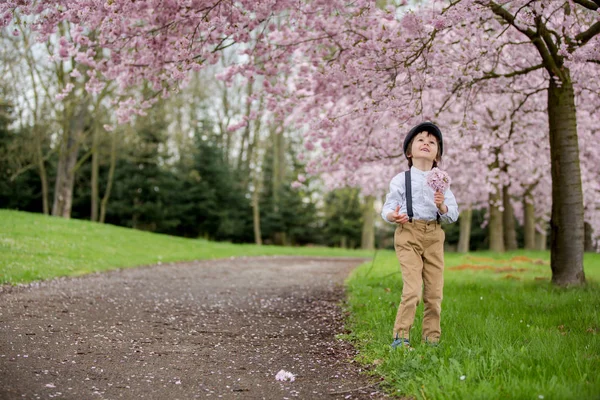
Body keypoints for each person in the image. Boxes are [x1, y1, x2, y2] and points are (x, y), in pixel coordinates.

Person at [381, 122, 459, 348]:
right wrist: (392, 216)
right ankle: (401, 337)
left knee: (434, 293)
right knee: (412, 290)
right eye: (421, 140)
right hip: (409, 234)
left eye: (432, 142)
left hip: (434, 235)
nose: (426, 143)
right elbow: (388, 207)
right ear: (409, 151)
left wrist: (442, 206)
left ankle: (431, 339)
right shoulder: (400, 179)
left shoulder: (442, 182)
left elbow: (452, 214)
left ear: (437, 155)